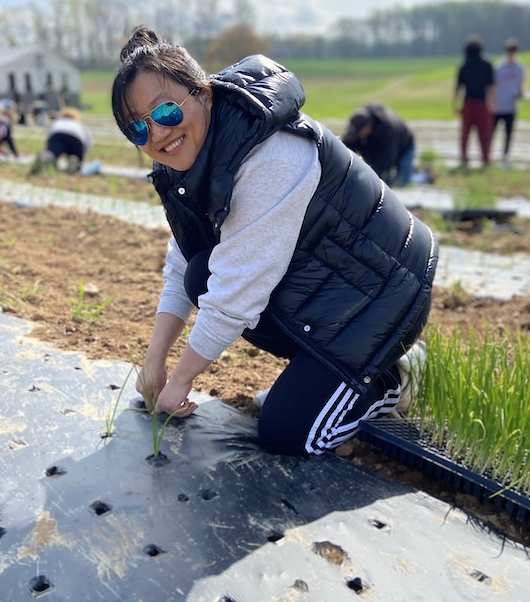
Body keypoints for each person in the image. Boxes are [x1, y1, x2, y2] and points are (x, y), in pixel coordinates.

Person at [110, 26, 439, 457]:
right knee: (198, 273)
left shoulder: (272, 153)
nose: (156, 135)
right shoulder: (189, 163)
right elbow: (182, 262)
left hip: (385, 295)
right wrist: (154, 360)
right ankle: (321, 375)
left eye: (166, 112)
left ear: (205, 92)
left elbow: (237, 293)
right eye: (137, 130)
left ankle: (397, 376)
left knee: (290, 435)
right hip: (331, 292)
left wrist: (180, 382)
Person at [342, 103, 418, 187]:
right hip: (379, 150)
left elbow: (386, 160)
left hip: (404, 148)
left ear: (368, 127)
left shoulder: (387, 129)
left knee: (403, 181)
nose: (357, 136)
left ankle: (425, 177)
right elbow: (346, 148)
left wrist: (370, 179)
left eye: (359, 133)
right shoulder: (358, 129)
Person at [453, 35, 495, 169]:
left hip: (468, 103)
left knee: (465, 134)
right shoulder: (487, 64)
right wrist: (492, 103)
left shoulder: (463, 65)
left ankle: (464, 157)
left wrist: (455, 105)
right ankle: (486, 158)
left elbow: (458, 89)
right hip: (482, 103)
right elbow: (491, 87)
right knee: (484, 133)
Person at [29, 107, 92, 175]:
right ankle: (74, 161)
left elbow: (49, 135)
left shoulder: (57, 122)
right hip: (76, 138)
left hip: (58, 135)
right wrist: (81, 155)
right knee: (75, 157)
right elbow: (87, 142)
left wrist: (49, 149)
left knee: (51, 155)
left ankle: (44, 158)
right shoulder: (79, 125)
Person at [492, 38, 525, 167]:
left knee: (508, 134)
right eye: (509, 51)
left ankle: (505, 157)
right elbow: (493, 87)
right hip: (498, 106)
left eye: (513, 51)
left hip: (511, 107)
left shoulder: (520, 69)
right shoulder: (498, 68)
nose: (511, 54)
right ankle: (489, 155)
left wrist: (520, 94)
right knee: (492, 133)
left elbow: (519, 86)